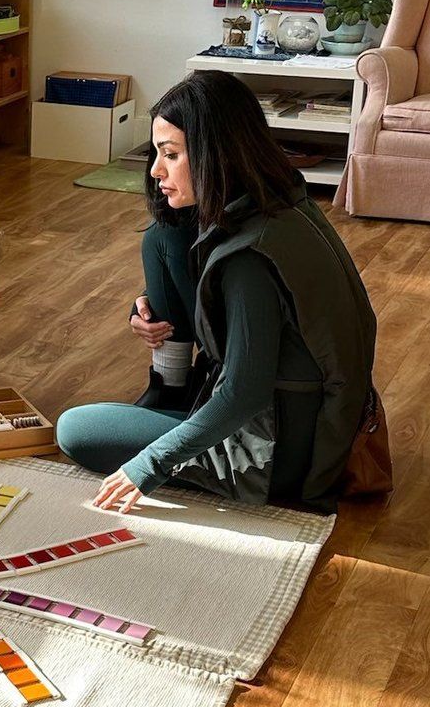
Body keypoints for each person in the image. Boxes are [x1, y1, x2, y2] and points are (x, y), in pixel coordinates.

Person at [57, 69, 377, 515]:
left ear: (214, 152)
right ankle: (172, 388)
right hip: (302, 416)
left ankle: (180, 414)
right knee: (165, 235)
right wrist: (144, 304)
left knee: (77, 429)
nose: (155, 170)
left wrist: (149, 464)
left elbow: (243, 393)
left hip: (276, 451)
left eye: (170, 154)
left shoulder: (250, 259)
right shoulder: (281, 201)